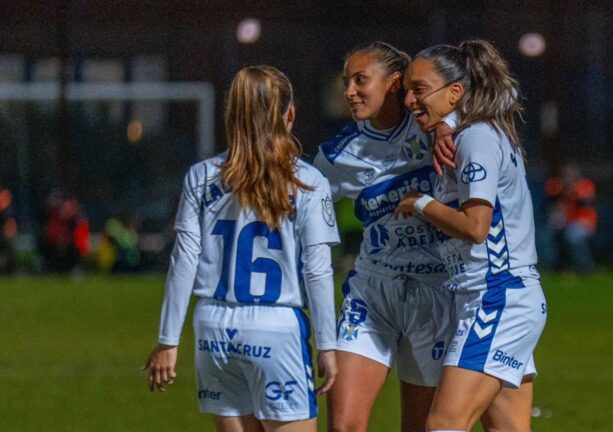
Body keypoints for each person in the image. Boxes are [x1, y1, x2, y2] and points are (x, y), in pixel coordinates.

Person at [144, 65, 340, 432]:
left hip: (213, 327)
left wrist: (168, 340)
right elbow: (317, 270)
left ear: (231, 115)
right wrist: (327, 345)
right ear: (290, 115)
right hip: (276, 326)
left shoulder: (201, 176)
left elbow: (184, 259)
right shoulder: (308, 181)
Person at [395, 40, 547, 432]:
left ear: (456, 92)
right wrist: (449, 120)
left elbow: (475, 227)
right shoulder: (473, 131)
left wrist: (420, 203)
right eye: (407, 90)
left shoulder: (476, 137)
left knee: (444, 423)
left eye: (419, 89)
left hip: (497, 296)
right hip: (498, 297)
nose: (409, 100)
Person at [313, 42, 454, 432]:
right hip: (372, 291)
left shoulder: (434, 127)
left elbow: (484, 106)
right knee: (344, 426)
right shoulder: (337, 155)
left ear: (394, 83)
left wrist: (450, 123)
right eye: (346, 82)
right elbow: (299, 213)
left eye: (360, 80)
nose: (349, 91)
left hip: (435, 292)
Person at [545, 163, 597, 273]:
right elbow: (550, 199)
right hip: (566, 222)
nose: (568, 178)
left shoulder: (584, 185)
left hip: (584, 222)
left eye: (571, 175)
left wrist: (571, 190)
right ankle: (558, 267)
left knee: (574, 235)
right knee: (551, 234)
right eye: (566, 175)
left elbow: (585, 202)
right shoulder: (558, 185)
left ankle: (584, 267)